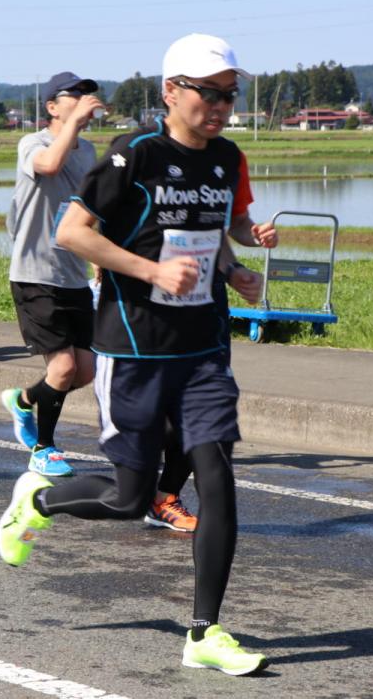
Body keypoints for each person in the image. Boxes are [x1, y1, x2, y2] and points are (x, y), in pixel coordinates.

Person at [0, 33, 268, 677]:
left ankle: (205, 631)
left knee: (218, 476)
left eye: (231, 94)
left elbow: (209, 240)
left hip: (202, 347)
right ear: (172, 91)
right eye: (210, 93)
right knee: (128, 497)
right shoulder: (133, 156)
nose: (223, 105)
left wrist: (233, 271)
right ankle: (37, 501)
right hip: (134, 347)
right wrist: (150, 271)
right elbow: (72, 231)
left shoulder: (227, 158)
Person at [145, 169, 278, 532]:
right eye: (210, 105)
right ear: (172, 105)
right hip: (150, 300)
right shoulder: (144, 152)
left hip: (207, 301)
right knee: (161, 411)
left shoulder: (228, 158)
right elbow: (98, 225)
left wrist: (250, 239)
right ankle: (136, 485)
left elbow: (232, 223)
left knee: (207, 403)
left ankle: (165, 496)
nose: (217, 110)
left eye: (225, 106)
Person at [0, 71, 103, 477]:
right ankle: (44, 448)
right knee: (62, 369)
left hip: (73, 273)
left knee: (87, 370)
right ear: (52, 107)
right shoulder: (33, 143)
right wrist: (74, 122)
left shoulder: (89, 151)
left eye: (86, 95)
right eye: (72, 95)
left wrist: (99, 256)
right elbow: (49, 164)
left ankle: (23, 400)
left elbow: (88, 207)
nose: (82, 100)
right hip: (34, 272)